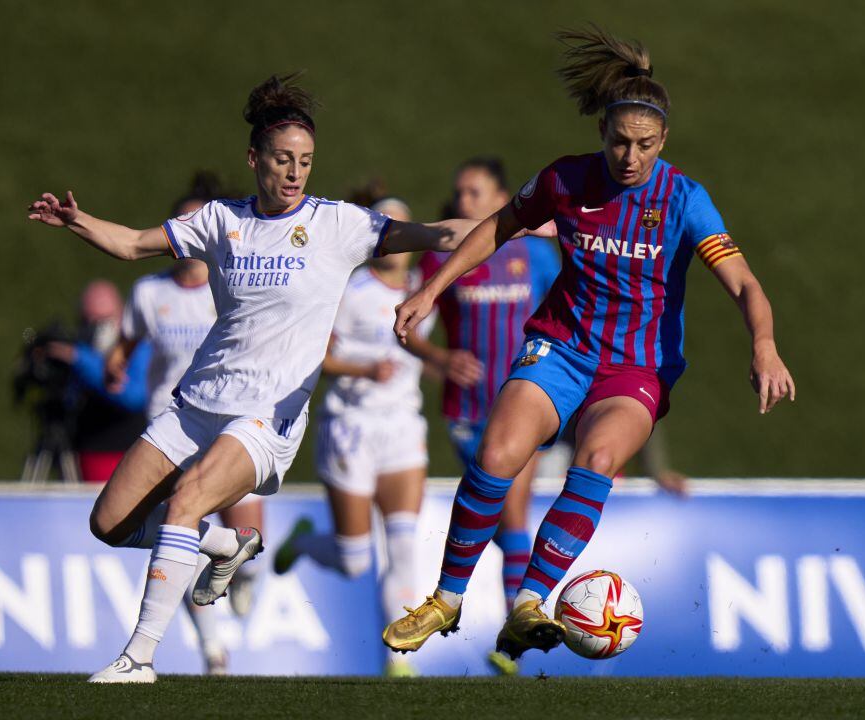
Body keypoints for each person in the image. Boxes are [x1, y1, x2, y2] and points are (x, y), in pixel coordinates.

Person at [26, 72, 508, 683]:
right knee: (109, 522)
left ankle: (138, 658)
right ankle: (226, 547)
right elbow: (131, 245)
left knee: (186, 504)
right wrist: (77, 221)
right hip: (195, 404)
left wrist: (515, 222)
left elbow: (438, 234)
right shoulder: (220, 221)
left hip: (267, 415)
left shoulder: (338, 225)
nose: (295, 172)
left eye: (305, 161)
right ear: (254, 159)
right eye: (283, 159)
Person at [383, 27, 795, 660]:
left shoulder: (684, 200)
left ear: (665, 141)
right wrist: (431, 288)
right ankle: (446, 599)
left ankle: (528, 604)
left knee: (597, 460)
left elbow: (743, 282)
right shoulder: (566, 181)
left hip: (636, 367)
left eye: (646, 145)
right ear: (602, 133)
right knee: (498, 453)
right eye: (620, 142)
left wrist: (764, 345)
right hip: (563, 346)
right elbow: (497, 228)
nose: (631, 157)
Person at [105, 171, 265, 675]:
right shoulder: (150, 293)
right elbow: (126, 346)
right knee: (174, 523)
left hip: (235, 422)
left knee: (240, 527)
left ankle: (235, 559)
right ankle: (213, 650)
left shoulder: (234, 283)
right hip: (173, 422)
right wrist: (115, 362)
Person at [407, 157, 559, 675]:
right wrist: (442, 359)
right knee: (493, 517)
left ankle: (510, 641)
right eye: (459, 193)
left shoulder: (536, 256)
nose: (463, 202)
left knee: (514, 514)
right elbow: (409, 330)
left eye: (475, 193)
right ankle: (512, 617)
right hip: (466, 411)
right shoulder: (440, 262)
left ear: (501, 199)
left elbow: (567, 317)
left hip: (526, 404)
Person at [272, 197, 432, 679]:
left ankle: (400, 659)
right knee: (355, 560)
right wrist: (364, 367)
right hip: (351, 428)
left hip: (403, 425)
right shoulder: (351, 290)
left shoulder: (426, 289)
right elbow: (317, 356)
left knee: (404, 547)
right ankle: (302, 544)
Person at [41, 280, 151, 482]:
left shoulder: (136, 345)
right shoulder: (81, 348)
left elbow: (134, 396)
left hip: (123, 455)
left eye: (102, 320)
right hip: (85, 452)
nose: (95, 328)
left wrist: (80, 359)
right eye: (87, 320)